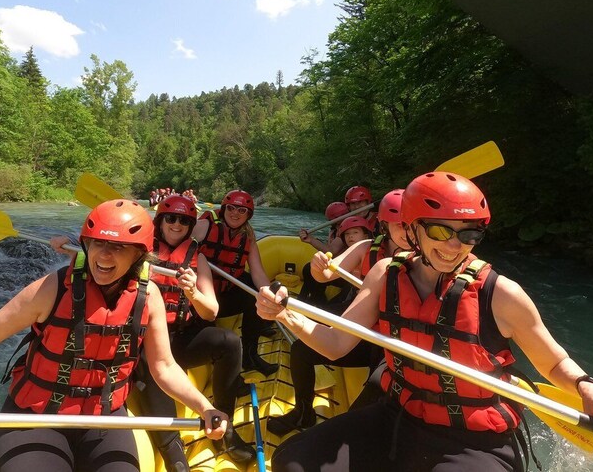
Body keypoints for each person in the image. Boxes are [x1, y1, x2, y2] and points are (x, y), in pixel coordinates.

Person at [258, 173, 593, 471]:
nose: (454, 245)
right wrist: (284, 313)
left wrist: (590, 387)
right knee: (291, 460)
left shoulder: (501, 294)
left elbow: (554, 362)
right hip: (399, 415)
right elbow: (334, 344)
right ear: (413, 229)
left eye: (469, 234)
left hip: (474, 441)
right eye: (440, 231)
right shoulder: (385, 273)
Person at [0, 199, 227, 472]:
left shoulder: (146, 298)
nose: (104, 255)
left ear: (139, 255)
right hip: (35, 417)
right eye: (97, 243)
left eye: (118, 247)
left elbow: (163, 367)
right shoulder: (52, 288)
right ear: (85, 244)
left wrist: (205, 407)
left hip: (104, 417)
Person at [269, 192, 408, 437]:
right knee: (301, 351)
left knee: (376, 388)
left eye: (414, 224)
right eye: (401, 224)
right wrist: (319, 265)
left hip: (396, 345)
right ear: (385, 225)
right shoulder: (366, 248)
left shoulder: (427, 259)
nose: (408, 231)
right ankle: (303, 412)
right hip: (365, 335)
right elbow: (327, 275)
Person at [133, 195, 255, 467]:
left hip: (180, 336)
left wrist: (193, 292)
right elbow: (99, 255)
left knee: (229, 342)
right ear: (160, 221)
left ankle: (226, 426)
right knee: (148, 363)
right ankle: (175, 456)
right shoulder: (139, 251)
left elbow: (210, 311)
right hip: (146, 338)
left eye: (184, 220)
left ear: (191, 225)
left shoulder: (196, 257)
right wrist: (73, 248)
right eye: (171, 219)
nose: (177, 225)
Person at [192, 189, 278, 377]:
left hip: (224, 294)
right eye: (231, 208)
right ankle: (225, 372)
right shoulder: (203, 226)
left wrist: (268, 294)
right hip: (200, 300)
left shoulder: (248, 236)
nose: (235, 213)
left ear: (248, 214)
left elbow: (257, 272)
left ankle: (249, 355)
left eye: (242, 211)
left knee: (255, 291)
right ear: (224, 209)